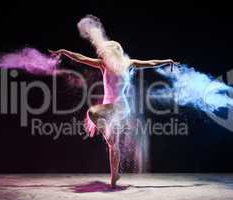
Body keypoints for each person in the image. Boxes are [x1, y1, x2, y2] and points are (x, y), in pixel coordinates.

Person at [49, 40, 177, 187]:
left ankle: (105, 130)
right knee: (112, 144)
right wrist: (64, 51)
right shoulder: (103, 64)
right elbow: (81, 58)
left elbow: (151, 63)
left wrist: (166, 61)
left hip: (121, 107)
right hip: (108, 108)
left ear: (116, 51)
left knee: (92, 112)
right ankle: (114, 175)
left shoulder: (128, 63)